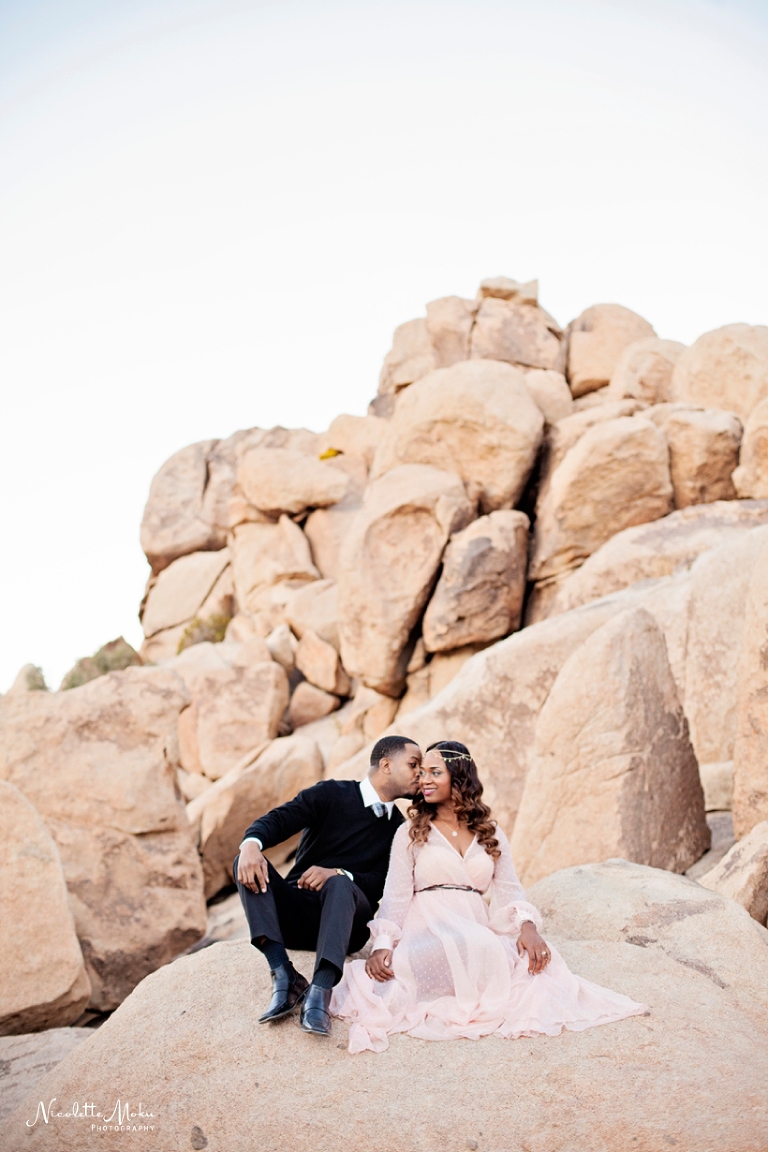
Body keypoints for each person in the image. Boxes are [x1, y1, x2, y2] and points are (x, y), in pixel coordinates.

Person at [332, 740, 648, 1053]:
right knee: (462, 952)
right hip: (426, 922)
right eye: (422, 772)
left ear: (458, 777)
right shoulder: (411, 831)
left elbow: (509, 887)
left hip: (472, 920)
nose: (424, 779)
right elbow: (396, 895)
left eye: (434, 772)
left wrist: (528, 927)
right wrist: (383, 945)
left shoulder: (490, 832)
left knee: (517, 959)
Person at [233, 734, 422, 1037]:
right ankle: (283, 973)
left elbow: (382, 886)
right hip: (297, 916)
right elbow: (280, 820)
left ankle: (320, 991)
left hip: (348, 926)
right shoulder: (330, 794)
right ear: (385, 765)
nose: (420, 774)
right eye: (413, 765)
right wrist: (252, 844)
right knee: (244, 859)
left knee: (339, 884)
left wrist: (338, 873)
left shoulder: (399, 830)